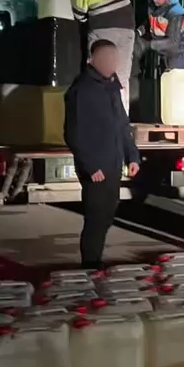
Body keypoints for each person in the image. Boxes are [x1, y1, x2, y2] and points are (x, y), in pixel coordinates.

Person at [63, 39, 141, 269]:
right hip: (95, 167)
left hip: (114, 161)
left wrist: (132, 156)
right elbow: (74, 133)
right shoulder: (82, 90)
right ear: (92, 60)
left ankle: (95, 262)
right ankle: (89, 265)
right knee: (96, 217)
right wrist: (90, 165)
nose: (111, 63)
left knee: (108, 213)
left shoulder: (112, 86)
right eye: (106, 58)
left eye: (114, 58)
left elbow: (122, 125)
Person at [73, 0, 137, 117]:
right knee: (121, 76)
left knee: (99, 75)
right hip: (126, 27)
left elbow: (79, 15)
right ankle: (122, 119)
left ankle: (99, 117)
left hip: (102, 31)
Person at [142, 0, 184, 70]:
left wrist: (149, 44)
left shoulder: (176, 13)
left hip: (178, 58)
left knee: (175, 81)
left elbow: (173, 43)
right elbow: (150, 24)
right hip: (164, 55)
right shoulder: (155, 9)